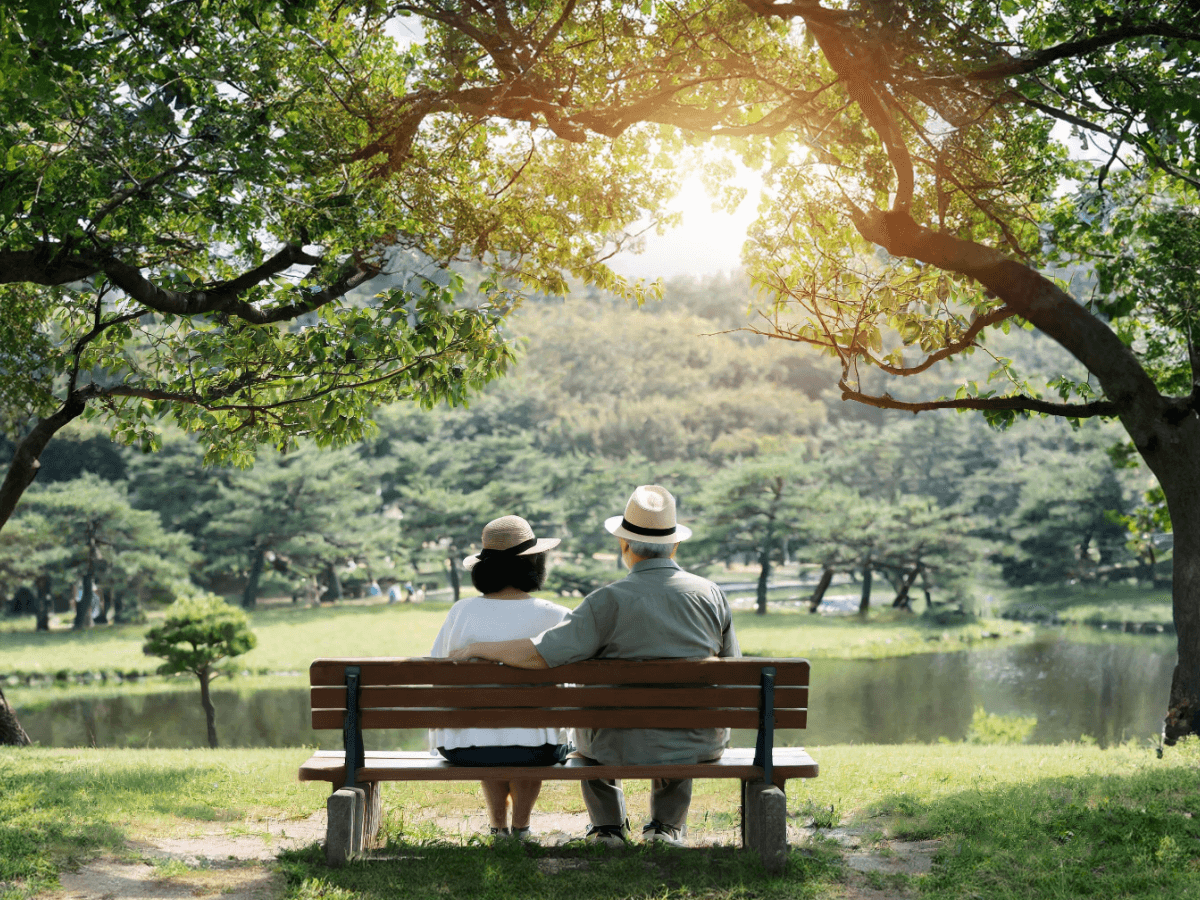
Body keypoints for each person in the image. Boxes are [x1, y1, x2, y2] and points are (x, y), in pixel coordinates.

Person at [451, 485, 740, 847]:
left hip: (614, 744)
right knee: (681, 719)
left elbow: (540, 654)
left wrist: (479, 648)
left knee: (591, 733)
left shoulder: (605, 600)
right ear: (674, 545)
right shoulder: (711, 596)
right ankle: (665, 827)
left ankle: (608, 828)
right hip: (697, 743)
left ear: (625, 545)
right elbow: (732, 669)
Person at [429, 515, 571, 840]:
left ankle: (498, 827)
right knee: (530, 730)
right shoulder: (556, 615)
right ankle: (521, 828)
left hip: (465, 748)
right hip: (539, 749)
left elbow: (438, 673)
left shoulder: (461, 613)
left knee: (487, 727)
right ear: (535, 563)